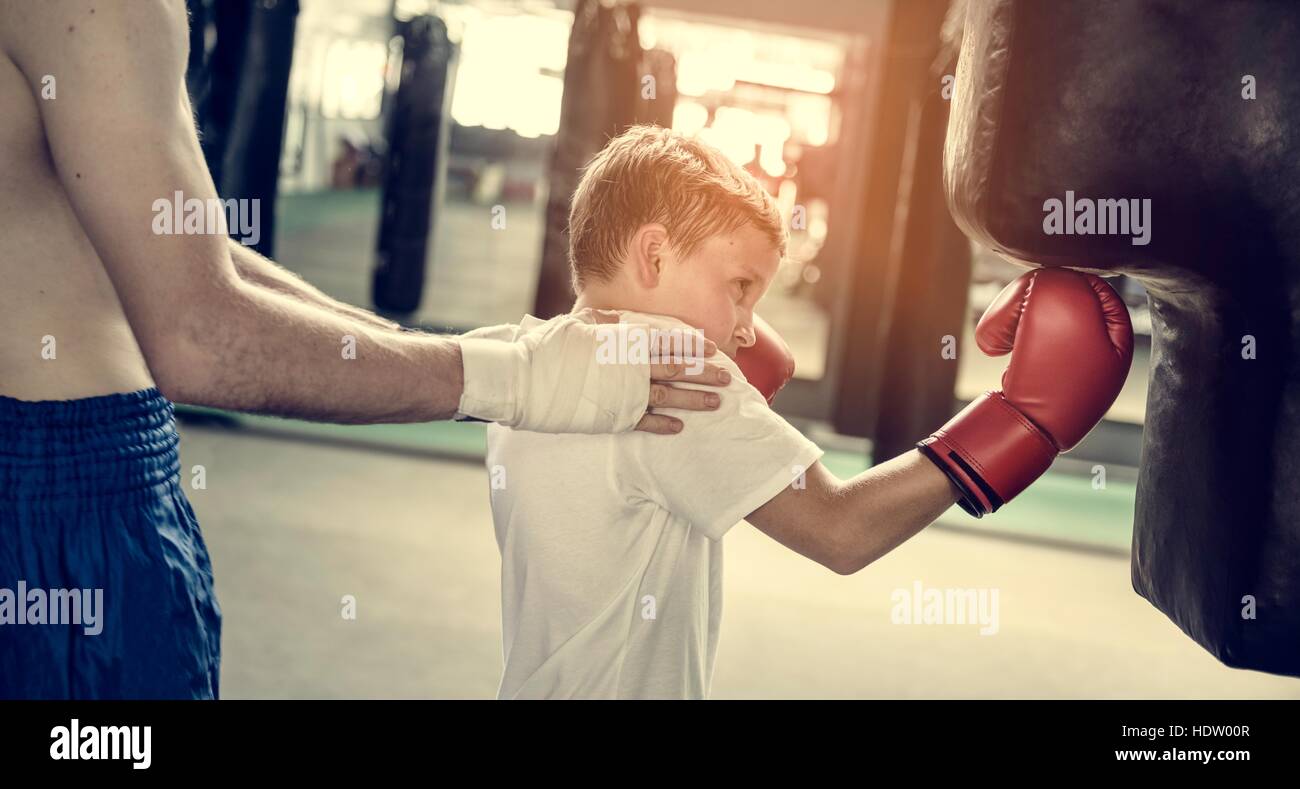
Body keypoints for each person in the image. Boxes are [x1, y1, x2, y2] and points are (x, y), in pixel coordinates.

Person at [0, 1, 730, 699]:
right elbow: (200, 336)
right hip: (57, 507)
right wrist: (522, 379)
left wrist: (455, 351)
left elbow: (173, 251)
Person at [476, 125, 1132, 699]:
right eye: (740, 288)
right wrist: (1021, 419)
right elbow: (840, 530)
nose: (743, 330)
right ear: (653, 255)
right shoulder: (671, 377)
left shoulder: (529, 366)